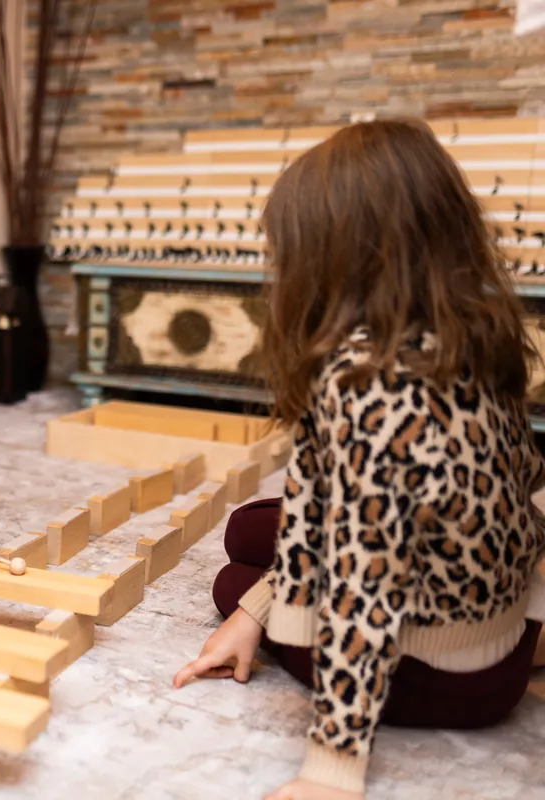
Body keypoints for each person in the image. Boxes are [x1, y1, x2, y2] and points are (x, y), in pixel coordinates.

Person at [172, 120, 545, 800]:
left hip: (442, 684)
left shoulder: (363, 381)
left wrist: (332, 769)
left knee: (235, 569)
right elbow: (521, 485)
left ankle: (259, 611)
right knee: (253, 536)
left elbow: (360, 584)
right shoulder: (476, 329)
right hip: (508, 643)